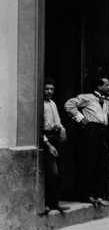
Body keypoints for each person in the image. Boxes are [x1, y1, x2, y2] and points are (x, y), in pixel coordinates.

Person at [65, 74, 109, 208]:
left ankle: (99, 195)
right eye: (107, 85)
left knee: (105, 164)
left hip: (101, 132)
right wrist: (81, 118)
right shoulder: (87, 98)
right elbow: (69, 104)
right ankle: (87, 195)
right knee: (89, 163)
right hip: (90, 131)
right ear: (99, 87)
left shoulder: (106, 101)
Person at [42, 78, 69, 215]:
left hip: (55, 137)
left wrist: (62, 128)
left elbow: (57, 121)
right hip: (45, 140)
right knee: (52, 173)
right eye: (47, 89)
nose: (49, 91)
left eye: (51, 89)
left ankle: (55, 202)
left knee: (61, 172)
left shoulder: (52, 103)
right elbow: (38, 129)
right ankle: (46, 203)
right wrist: (47, 145)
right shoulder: (40, 105)